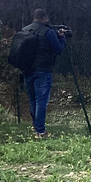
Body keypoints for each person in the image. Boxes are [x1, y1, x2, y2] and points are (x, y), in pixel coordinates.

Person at [21, 9, 66, 138]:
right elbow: (58, 49)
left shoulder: (25, 30)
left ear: (34, 17)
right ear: (45, 17)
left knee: (33, 99)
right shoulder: (48, 32)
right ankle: (40, 131)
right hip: (43, 70)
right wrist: (62, 39)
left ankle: (37, 128)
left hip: (28, 69)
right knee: (41, 101)